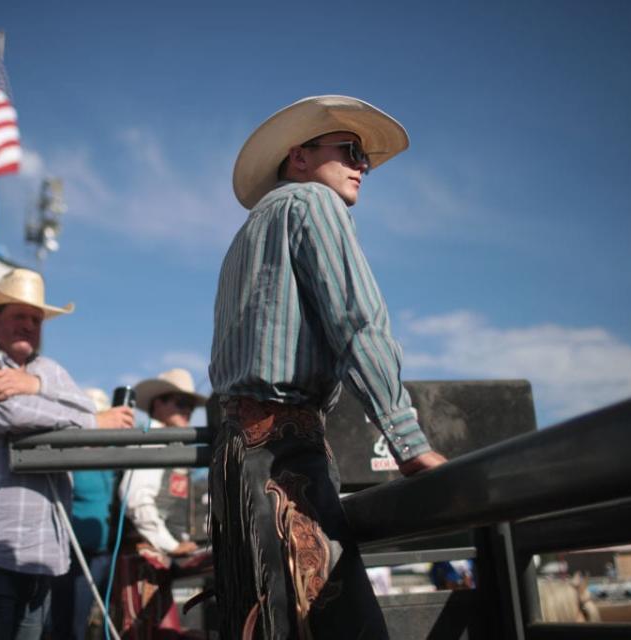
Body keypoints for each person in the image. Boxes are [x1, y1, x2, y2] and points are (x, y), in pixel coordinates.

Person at [209, 95, 447, 639]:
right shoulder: (314, 204)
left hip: (235, 458)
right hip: (285, 455)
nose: (362, 166)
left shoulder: (243, 237)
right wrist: (407, 441)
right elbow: (358, 323)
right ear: (299, 156)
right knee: (336, 624)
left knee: (267, 622)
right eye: (351, 150)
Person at [0, 268, 134, 640]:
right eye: (19, 315)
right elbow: (5, 413)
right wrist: (90, 420)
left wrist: (32, 384)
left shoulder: (47, 371)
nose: (29, 325)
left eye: (36, 319)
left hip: (40, 555)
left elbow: (82, 407)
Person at [116, 368, 207, 637]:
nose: (187, 410)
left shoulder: (167, 442)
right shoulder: (150, 441)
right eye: (180, 403)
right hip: (146, 561)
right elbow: (135, 499)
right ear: (158, 403)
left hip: (158, 560)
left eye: (189, 405)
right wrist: (172, 545)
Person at [50, 387, 119, 640]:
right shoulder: (68, 454)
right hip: (73, 557)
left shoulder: (114, 451)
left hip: (106, 554)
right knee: (71, 627)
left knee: (109, 626)